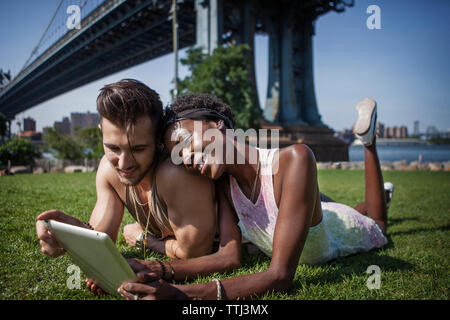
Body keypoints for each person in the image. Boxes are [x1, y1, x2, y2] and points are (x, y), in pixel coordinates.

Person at [118, 95, 393, 300]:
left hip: (337, 233)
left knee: (376, 222)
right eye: (178, 156)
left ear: (217, 125)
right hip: (307, 214)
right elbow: (228, 257)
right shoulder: (224, 183)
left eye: (186, 142)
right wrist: (155, 268)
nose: (186, 158)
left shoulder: (295, 159)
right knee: (334, 208)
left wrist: (182, 295)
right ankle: (366, 196)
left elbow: (280, 277)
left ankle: (368, 142)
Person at [35, 80, 219, 295]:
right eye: (113, 148)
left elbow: (194, 254)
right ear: (101, 132)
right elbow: (100, 240)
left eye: (138, 149)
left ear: (159, 140)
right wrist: (69, 236)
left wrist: (146, 240)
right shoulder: (108, 169)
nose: (123, 164)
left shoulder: (176, 173)